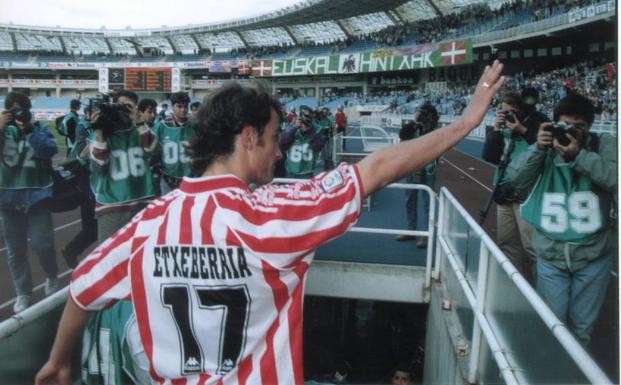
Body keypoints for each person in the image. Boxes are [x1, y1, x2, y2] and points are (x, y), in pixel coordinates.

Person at [36, 61, 504, 385]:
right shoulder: (272, 213)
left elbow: (82, 289)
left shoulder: (148, 224)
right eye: (274, 139)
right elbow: (377, 169)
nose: (280, 152)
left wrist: (59, 363)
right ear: (248, 137)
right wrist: (463, 123)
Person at [508, 92, 616, 346]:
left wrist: (579, 156)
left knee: (581, 329)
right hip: (551, 253)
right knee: (552, 325)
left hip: (593, 254)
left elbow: (615, 178)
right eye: (564, 126)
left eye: (578, 127)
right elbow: (515, 179)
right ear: (554, 124)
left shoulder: (605, 143)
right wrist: (538, 148)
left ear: (590, 127)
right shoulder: (544, 148)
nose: (571, 132)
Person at [481, 89, 549, 283]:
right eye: (503, 111)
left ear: (521, 109)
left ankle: (543, 296)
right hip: (503, 191)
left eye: (512, 111)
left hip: (527, 195)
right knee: (507, 243)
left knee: (532, 248)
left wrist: (522, 130)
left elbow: (546, 149)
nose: (508, 115)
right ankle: (521, 289)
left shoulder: (538, 121)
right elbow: (489, 156)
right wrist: (496, 130)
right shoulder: (502, 127)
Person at [0, 91, 59, 313]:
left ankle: (51, 274)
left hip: (37, 194)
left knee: (43, 243)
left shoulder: (38, 128)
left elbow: (49, 150)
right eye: (12, 110)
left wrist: (29, 129)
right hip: (8, 196)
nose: (17, 114)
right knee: (15, 250)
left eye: (21, 109)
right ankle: (23, 292)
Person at [89, 90, 157, 243]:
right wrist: (99, 133)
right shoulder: (103, 134)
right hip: (112, 204)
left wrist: (139, 122)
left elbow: (155, 153)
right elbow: (99, 168)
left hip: (142, 200)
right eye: (119, 106)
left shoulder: (141, 130)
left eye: (127, 106)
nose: (122, 111)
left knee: (143, 255)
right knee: (108, 258)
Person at [395, 103, 439, 249]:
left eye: (420, 113)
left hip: (429, 170)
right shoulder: (415, 128)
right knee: (409, 200)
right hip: (412, 168)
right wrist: (414, 123)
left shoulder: (436, 131)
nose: (417, 115)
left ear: (428, 115)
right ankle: (411, 230)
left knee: (428, 203)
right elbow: (402, 137)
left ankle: (427, 235)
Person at [61, 104, 98, 268]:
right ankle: (71, 251)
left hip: (100, 183)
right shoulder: (83, 127)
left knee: (95, 231)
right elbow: (79, 153)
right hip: (88, 183)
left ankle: (72, 251)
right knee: (91, 230)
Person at [151, 91, 196, 195]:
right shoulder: (160, 127)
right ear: (172, 107)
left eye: (185, 106)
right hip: (167, 178)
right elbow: (152, 151)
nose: (183, 110)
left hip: (190, 178)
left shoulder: (195, 126)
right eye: (179, 106)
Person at [280, 105, 326, 178]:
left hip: (307, 170)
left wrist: (310, 131)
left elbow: (318, 147)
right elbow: (282, 144)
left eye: (308, 119)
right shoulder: (292, 126)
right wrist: (294, 128)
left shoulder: (317, 129)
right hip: (291, 170)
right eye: (303, 119)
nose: (304, 124)